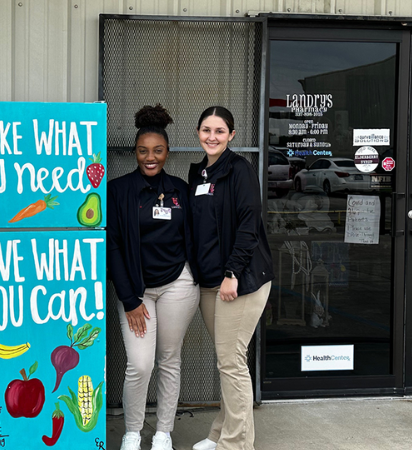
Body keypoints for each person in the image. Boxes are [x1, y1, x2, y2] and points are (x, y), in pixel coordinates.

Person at [108, 104, 199, 450]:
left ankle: (163, 433)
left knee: (169, 360)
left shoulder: (180, 190)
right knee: (140, 363)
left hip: (179, 284)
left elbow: (194, 234)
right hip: (137, 292)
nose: (150, 157)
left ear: (167, 152)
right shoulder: (119, 191)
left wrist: (193, 273)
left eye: (157, 151)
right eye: (143, 151)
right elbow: (112, 247)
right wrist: (130, 299)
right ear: (135, 153)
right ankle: (133, 433)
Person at [188, 106, 274, 450]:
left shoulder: (240, 170)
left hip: (241, 280)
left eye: (219, 131)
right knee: (228, 361)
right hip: (210, 281)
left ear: (232, 135)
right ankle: (219, 433)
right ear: (197, 132)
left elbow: (248, 226)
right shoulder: (198, 173)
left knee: (231, 362)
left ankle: (236, 444)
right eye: (206, 130)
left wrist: (232, 274)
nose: (212, 136)